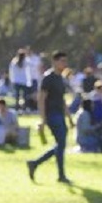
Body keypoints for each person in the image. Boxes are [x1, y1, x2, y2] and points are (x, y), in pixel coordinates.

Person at [28, 51, 72, 184]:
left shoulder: (61, 79)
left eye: (65, 61)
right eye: (62, 61)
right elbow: (41, 99)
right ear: (55, 62)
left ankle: (35, 163)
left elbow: (62, 99)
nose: (64, 64)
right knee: (61, 144)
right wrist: (42, 118)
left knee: (61, 144)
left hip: (59, 114)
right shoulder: (48, 78)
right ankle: (60, 175)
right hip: (51, 114)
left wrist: (69, 117)